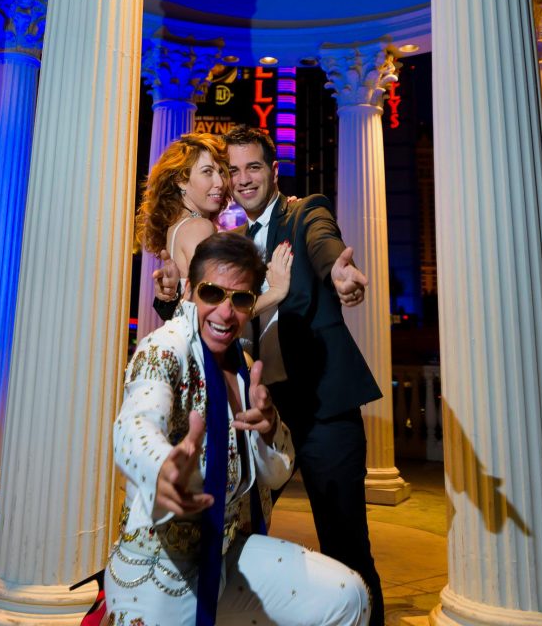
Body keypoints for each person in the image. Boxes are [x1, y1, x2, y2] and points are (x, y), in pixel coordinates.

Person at [106, 232, 371, 626]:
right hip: (161, 573)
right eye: (212, 293)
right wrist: (162, 466)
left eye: (242, 299)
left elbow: (279, 471)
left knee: (348, 596)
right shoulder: (164, 348)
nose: (226, 313)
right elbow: (136, 423)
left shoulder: (245, 366)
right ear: (191, 292)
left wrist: (269, 430)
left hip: (226, 552)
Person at [223, 125, 385, 626]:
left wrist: (339, 269)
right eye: (233, 171)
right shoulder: (235, 243)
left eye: (253, 167)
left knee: (345, 544)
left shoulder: (303, 211)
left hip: (323, 409)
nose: (243, 179)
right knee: (246, 544)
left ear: (273, 170)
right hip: (266, 418)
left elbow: (323, 241)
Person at [136, 132, 291, 320]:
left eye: (221, 172)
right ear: (181, 181)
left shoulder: (176, 228)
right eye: (207, 172)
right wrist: (276, 292)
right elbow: (220, 309)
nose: (220, 183)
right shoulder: (199, 227)